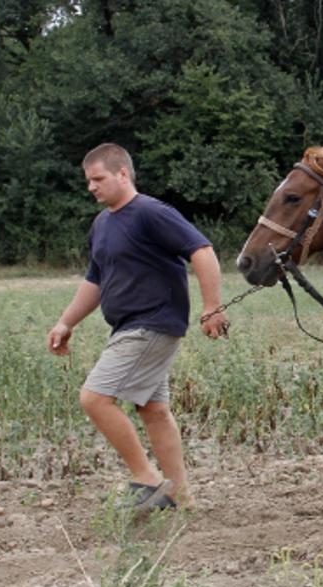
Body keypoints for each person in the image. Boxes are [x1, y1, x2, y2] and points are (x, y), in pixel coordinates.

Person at [47, 143, 228, 513]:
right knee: (153, 409)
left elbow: (202, 251)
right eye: (88, 181)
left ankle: (147, 479)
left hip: (152, 323)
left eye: (98, 179)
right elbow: (95, 281)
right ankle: (181, 494)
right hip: (128, 327)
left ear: (123, 174)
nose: (91, 187)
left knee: (95, 398)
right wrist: (66, 321)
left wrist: (212, 307)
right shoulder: (102, 224)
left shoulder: (150, 212)